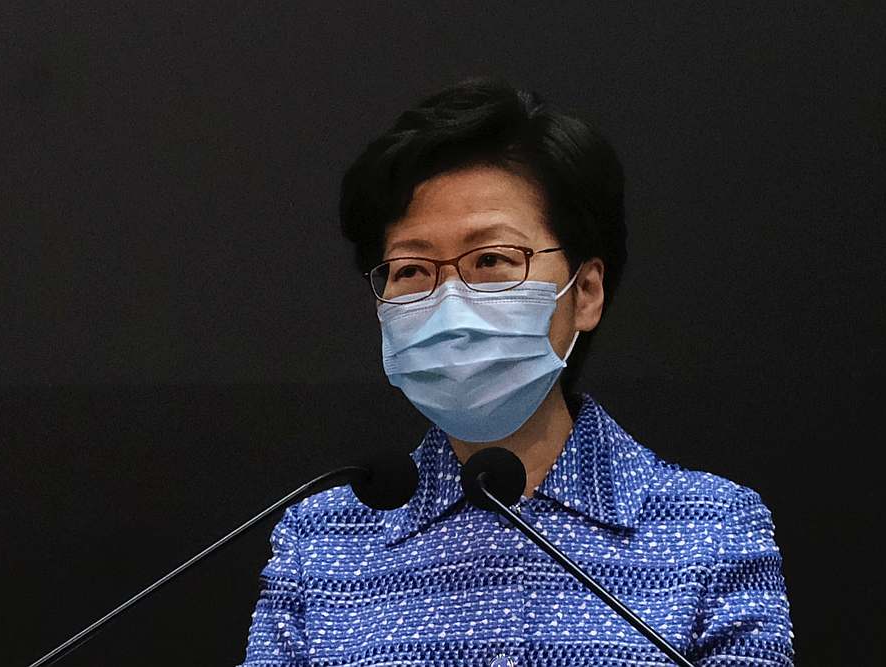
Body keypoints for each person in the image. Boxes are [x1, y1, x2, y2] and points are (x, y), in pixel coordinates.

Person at [240, 77, 794, 666]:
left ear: (585, 291)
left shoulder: (709, 527)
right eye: (410, 271)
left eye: (492, 260)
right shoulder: (320, 542)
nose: (450, 303)